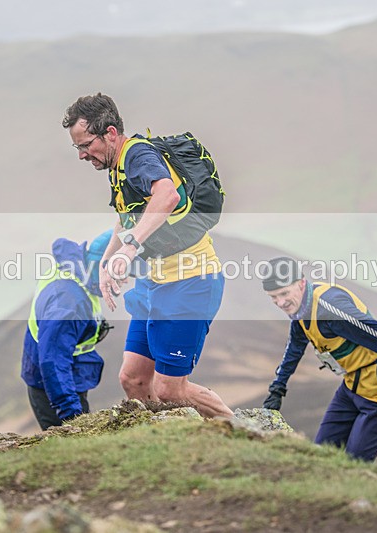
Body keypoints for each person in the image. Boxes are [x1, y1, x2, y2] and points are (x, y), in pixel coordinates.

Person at [62, 93, 232, 418]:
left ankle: (240, 431)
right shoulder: (117, 166)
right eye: (77, 147)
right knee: (134, 379)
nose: (82, 155)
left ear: (110, 133)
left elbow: (166, 195)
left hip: (190, 281)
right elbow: (126, 216)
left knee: (170, 390)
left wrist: (130, 249)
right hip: (154, 282)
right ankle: (167, 440)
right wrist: (106, 262)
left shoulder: (138, 155)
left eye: (86, 145)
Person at [261, 256, 377, 461]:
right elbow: (295, 347)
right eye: (273, 297)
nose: (280, 303)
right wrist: (277, 388)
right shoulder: (302, 310)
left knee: (354, 463)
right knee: (320, 455)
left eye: (284, 293)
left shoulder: (330, 311)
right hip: (350, 388)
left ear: (301, 284)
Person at [21, 230, 113, 430]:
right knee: (72, 442)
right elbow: (53, 361)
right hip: (54, 386)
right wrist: (72, 414)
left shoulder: (76, 270)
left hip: (63, 377)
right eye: (121, 273)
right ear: (101, 266)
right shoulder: (68, 305)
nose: (125, 280)